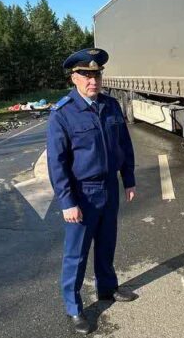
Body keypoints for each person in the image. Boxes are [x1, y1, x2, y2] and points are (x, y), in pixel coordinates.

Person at [46, 47, 138, 334]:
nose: (92, 80)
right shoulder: (62, 113)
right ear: (74, 78)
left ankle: (107, 288)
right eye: (85, 75)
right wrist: (67, 201)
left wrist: (129, 178)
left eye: (96, 75)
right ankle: (74, 308)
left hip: (109, 187)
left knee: (107, 242)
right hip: (83, 193)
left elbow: (124, 145)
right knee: (76, 254)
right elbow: (57, 162)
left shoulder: (111, 106)